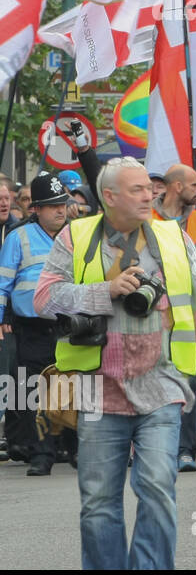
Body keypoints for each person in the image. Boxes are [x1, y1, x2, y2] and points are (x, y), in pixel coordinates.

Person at [34, 157, 196, 568]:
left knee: (158, 487)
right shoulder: (75, 236)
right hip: (96, 391)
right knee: (98, 502)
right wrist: (104, 290)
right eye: (138, 189)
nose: (150, 195)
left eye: (150, 188)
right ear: (109, 197)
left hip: (161, 386)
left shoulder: (174, 238)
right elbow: (44, 299)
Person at [0, 174, 77, 475]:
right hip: (31, 326)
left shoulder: (76, 236)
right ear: (36, 209)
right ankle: (40, 455)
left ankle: (72, 449)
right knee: (33, 391)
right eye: (52, 206)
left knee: (67, 388)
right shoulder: (18, 237)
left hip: (68, 325)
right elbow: (3, 282)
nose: (60, 210)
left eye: (62, 204)